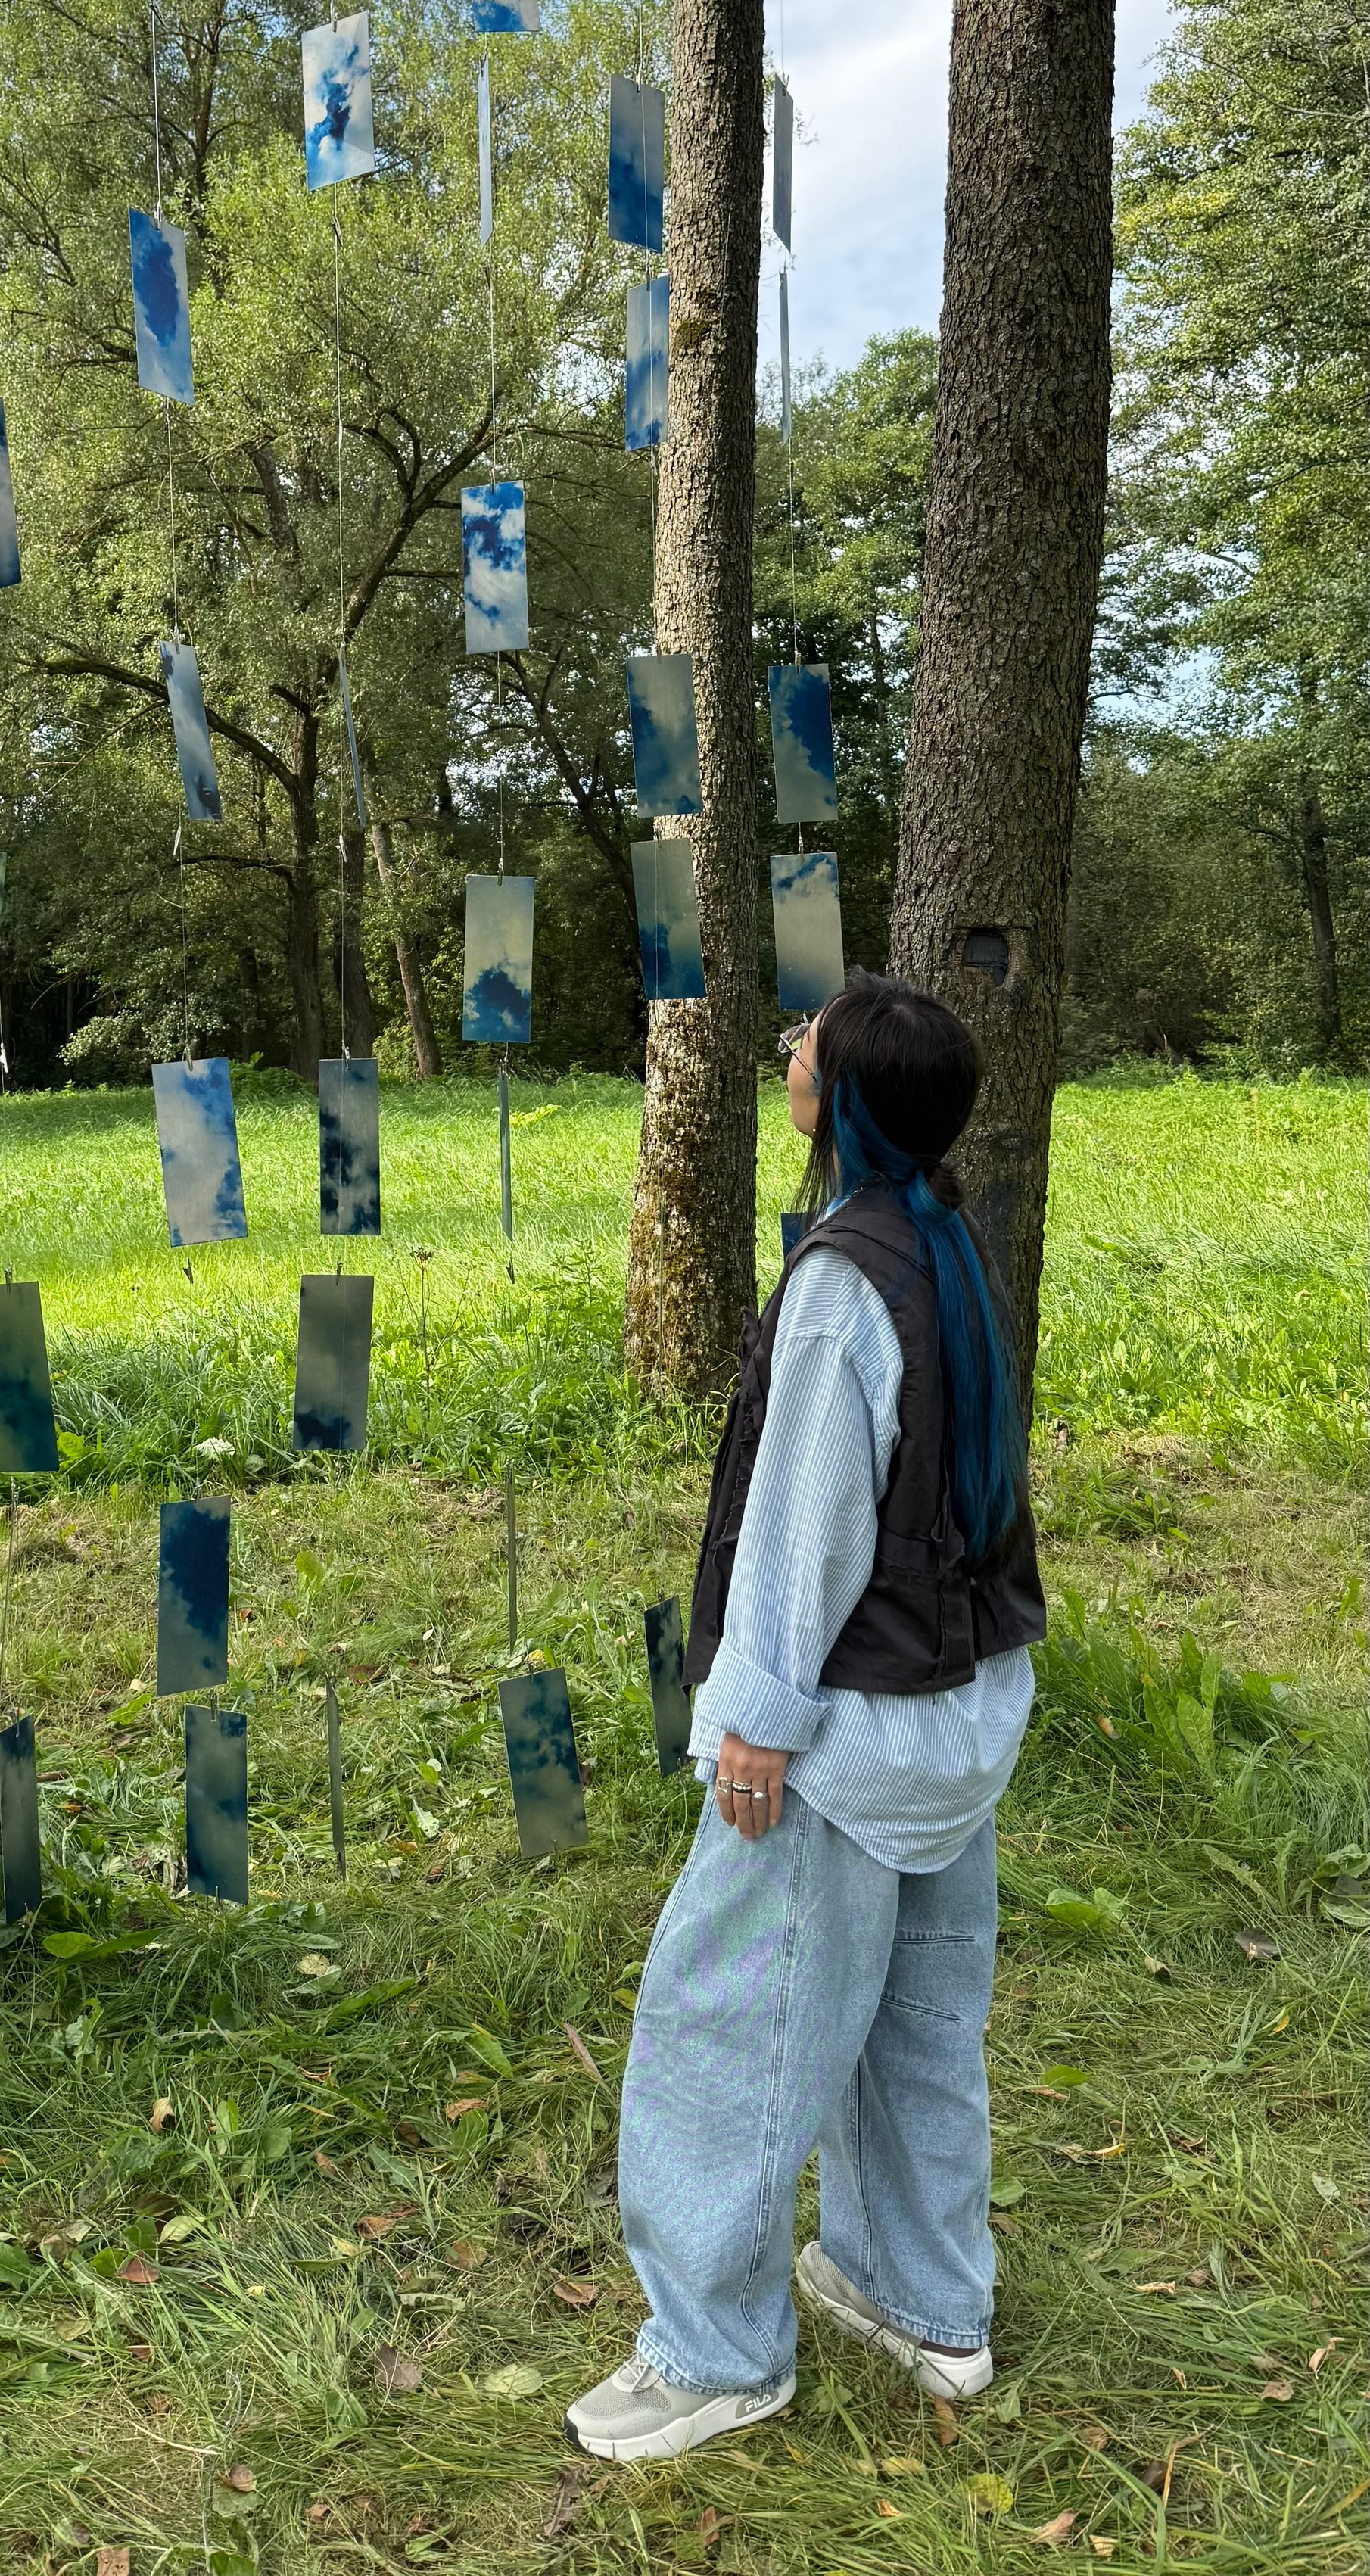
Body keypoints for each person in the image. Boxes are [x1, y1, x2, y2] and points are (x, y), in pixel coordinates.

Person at [566, 970, 1048, 2465]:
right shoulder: (942, 1243)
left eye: (805, 1043)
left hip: (842, 1737)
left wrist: (753, 1726)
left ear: (838, 1095)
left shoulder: (846, 1280)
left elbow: (805, 1531)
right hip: (956, 1718)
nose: (787, 1049)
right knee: (913, 2020)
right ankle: (921, 2299)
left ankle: (713, 2352)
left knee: (724, 2025)